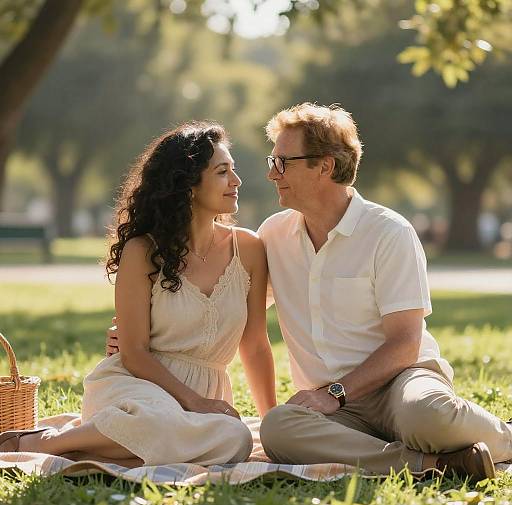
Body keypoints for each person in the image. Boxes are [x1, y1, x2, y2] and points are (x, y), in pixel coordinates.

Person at [256, 103, 511, 480]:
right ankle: (434, 465)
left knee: (427, 417)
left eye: (282, 162)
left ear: (324, 166)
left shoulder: (389, 232)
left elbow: (405, 344)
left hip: (402, 382)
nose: (271, 173)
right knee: (277, 428)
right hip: (337, 409)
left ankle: (505, 438)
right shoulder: (272, 235)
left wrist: (335, 393)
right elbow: (239, 314)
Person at [0, 121, 276, 466]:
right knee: (159, 423)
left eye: (232, 171)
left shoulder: (248, 249)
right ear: (188, 184)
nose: (236, 182)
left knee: (235, 439)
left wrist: (270, 425)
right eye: (223, 172)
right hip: (136, 387)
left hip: (204, 394)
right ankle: (48, 443)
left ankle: (92, 449)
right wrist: (193, 402)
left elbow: (256, 345)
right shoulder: (143, 251)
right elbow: (133, 352)